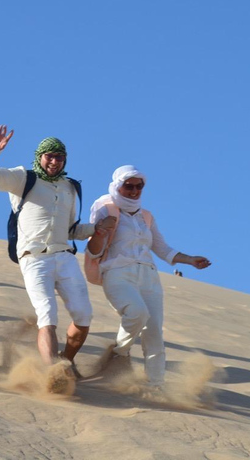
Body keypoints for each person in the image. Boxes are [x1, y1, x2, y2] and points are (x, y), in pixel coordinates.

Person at [0, 126, 115, 367]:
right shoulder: (23, 178)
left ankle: (65, 362)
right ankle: (53, 374)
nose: (54, 161)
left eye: (59, 157)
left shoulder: (71, 188)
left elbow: (71, 230)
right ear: (40, 157)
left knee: (84, 317)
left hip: (65, 258)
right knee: (47, 316)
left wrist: (96, 228)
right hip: (34, 259)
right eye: (49, 156)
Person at [86, 165, 211, 387]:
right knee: (137, 313)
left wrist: (190, 260)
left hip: (149, 277)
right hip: (117, 272)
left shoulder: (146, 216)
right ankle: (120, 352)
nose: (134, 191)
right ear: (117, 185)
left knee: (154, 335)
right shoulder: (105, 208)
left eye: (139, 186)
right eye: (129, 186)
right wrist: (100, 231)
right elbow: (94, 249)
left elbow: (162, 248)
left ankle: (156, 387)